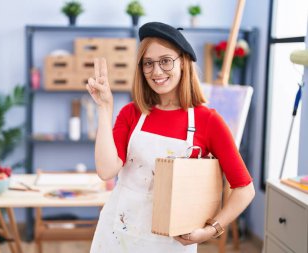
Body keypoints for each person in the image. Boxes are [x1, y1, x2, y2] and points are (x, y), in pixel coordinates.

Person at [86, 21, 255, 253]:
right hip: (118, 234)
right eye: (148, 63)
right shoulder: (132, 113)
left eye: (166, 61)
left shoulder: (208, 121)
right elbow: (106, 170)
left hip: (171, 243)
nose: (156, 72)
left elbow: (244, 189)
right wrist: (105, 108)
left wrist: (211, 229)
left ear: (183, 63)